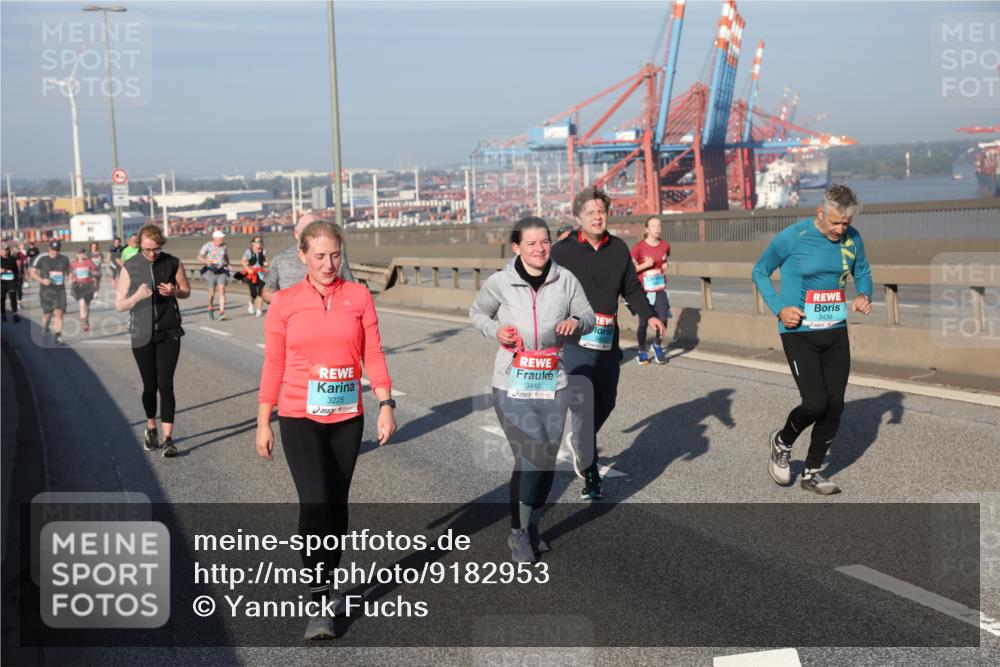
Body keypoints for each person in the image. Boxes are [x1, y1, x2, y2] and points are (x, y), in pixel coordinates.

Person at [256, 220, 396, 640]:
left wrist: (385, 403)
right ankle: (318, 602)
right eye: (319, 256)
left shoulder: (357, 297)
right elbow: (274, 364)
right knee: (314, 503)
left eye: (335, 255)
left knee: (336, 508)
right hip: (299, 414)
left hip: (347, 416)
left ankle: (327, 581)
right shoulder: (284, 302)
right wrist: (264, 421)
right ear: (302, 256)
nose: (329, 263)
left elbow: (372, 351)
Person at [469, 217, 595, 562]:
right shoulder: (501, 282)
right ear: (516, 248)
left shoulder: (564, 279)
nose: (539, 249)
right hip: (512, 380)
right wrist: (495, 330)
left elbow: (588, 316)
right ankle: (518, 533)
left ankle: (533, 524)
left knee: (547, 460)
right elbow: (477, 312)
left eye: (544, 242)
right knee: (532, 454)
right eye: (531, 244)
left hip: (553, 379)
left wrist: (577, 323)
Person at [752, 184, 873, 495]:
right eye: (834, 222)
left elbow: (863, 271)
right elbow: (760, 271)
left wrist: (864, 294)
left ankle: (812, 471)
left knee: (835, 406)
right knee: (815, 403)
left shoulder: (852, 239)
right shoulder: (794, 237)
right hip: (799, 332)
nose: (840, 229)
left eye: (846, 223)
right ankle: (782, 441)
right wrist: (779, 309)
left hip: (835, 331)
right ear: (820, 213)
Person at [551, 186, 665, 501]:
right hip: (573, 341)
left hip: (606, 340)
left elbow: (631, 287)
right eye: (590, 213)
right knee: (584, 404)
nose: (597, 217)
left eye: (601, 212)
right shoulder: (562, 252)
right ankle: (591, 474)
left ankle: (580, 440)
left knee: (607, 401)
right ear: (578, 218)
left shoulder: (617, 249)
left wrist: (650, 315)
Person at [116, 224, 191, 458]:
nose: (152, 254)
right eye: (148, 249)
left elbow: (186, 290)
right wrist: (136, 296)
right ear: (140, 246)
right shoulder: (130, 266)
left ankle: (169, 439)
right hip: (141, 333)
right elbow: (119, 304)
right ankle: (151, 427)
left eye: (156, 249)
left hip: (169, 331)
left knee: (166, 384)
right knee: (150, 386)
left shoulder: (172, 262)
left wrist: (174, 291)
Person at [262, 213, 353, 303]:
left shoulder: (337, 259)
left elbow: (351, 289)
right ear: (296, 234)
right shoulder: (280, 260)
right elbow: (267, 292)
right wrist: (287, 301)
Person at [630, 216, 672, 365]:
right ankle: (642, 350)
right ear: (647, 229)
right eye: (654, 226)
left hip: (659, 288)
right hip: (644, 291)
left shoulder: (665, 245)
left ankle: (657, 345)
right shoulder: (638, 248)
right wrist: (646, 265)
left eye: (659, 226)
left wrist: (665, 266)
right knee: (643, 323)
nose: (657, 229)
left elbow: (665, 260)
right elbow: (631, 269)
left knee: (664, 320)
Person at [30, 240, 71, 344]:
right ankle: (45, 327)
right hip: (46, 290)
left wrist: (71, 280)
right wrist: (42, 281)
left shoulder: (64, 259)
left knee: (59, 313)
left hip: (59, 289)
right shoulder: (41, 258)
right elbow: (32, 272)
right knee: (47, 314)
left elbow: (69, 271)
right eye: (53, 250)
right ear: (49, 248)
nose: (55, 252)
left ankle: (58, 336)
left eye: (57, 250)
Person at [198, 230, 230, 320]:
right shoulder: (208, 245)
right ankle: (210, 307)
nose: (222, 240)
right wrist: (206, 261)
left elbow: (226, 256)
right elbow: (199, 257)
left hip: (221, 271)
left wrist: (228, 263)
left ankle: (222, 312)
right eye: (220, 239)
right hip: (210, 271)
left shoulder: (224, 246)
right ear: (215, 239)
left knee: (222, 290)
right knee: (212, 293)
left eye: (222, 239)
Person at [69, 247, 98, 332]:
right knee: (82, 304)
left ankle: (86, 320)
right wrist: (70, 282)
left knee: (87, 306)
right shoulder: (73, 264)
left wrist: (90, 272)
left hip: (88, 285)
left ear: (84, 254)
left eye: (82, 253)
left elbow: (96, 272)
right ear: (77, 254)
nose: (81, 255)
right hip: (78, 286)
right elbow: (70, 274)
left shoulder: (89, 262)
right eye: (79, 253)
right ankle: (84, 322)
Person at [240, 236, 268, 317]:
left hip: (261, 273)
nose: (258, 243)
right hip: (251, 273)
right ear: (253, 243)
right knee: (253, 293)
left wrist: (265, 262)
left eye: (259, 241)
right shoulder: (248, 251)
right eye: (256, 241)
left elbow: (267, 262)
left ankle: (259, 309)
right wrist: (247, 269)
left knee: (261, 291)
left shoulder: (263, 251)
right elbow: (243, 261)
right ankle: (251, 302)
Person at [1, 243, 22, 323]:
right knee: (2, 299)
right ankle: (3, 314)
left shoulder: (13, 259)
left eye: (5, 250)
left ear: (8, 250)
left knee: (13, 296)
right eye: (2, 249)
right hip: (2, 282)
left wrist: (17, 281)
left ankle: (15, 314)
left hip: (11, 281)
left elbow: (16, 271)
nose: (3, 251)